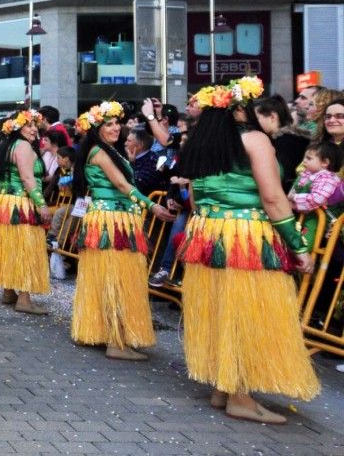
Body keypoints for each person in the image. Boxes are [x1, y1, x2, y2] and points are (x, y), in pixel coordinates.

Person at [177, 76, 318, 424]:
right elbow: (272, 198)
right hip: (246, 236)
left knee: (220, 309)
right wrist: (298, 246)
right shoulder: (254, 139)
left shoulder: (198, 143)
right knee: (244, 310)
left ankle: (222, 388)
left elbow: (194, 199)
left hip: (208, 233)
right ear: (239, 108)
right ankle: (240, 396)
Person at [69, 101, 175, 360]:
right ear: (97, 129)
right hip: (112, 220)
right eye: (109, 124)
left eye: (117, 123)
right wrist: (151, 206)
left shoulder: (103, 150)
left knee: (108, 277)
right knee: (117, 278)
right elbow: (121, 184)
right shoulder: (100, 152)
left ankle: (102, 332)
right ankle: (116, 342)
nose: (116, 127)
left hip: (109, 218)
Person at [0, 109, 52, 314]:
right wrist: (41, 204)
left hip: (7, 202)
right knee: (26, 249)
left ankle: (8, 292)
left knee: (11, 247)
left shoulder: (9, 145)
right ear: (18, 127)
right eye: (29, 125)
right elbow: (27, 178)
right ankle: (24, 299)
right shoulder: (23, 146)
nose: (34, 129)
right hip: (21, 203)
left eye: (35, 125)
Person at [252, 95, 310, 191]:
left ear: (272, 117)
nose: (252, 123)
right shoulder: (285, 139)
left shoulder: (288, 143)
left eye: (255, 119)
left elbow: (278, 177)